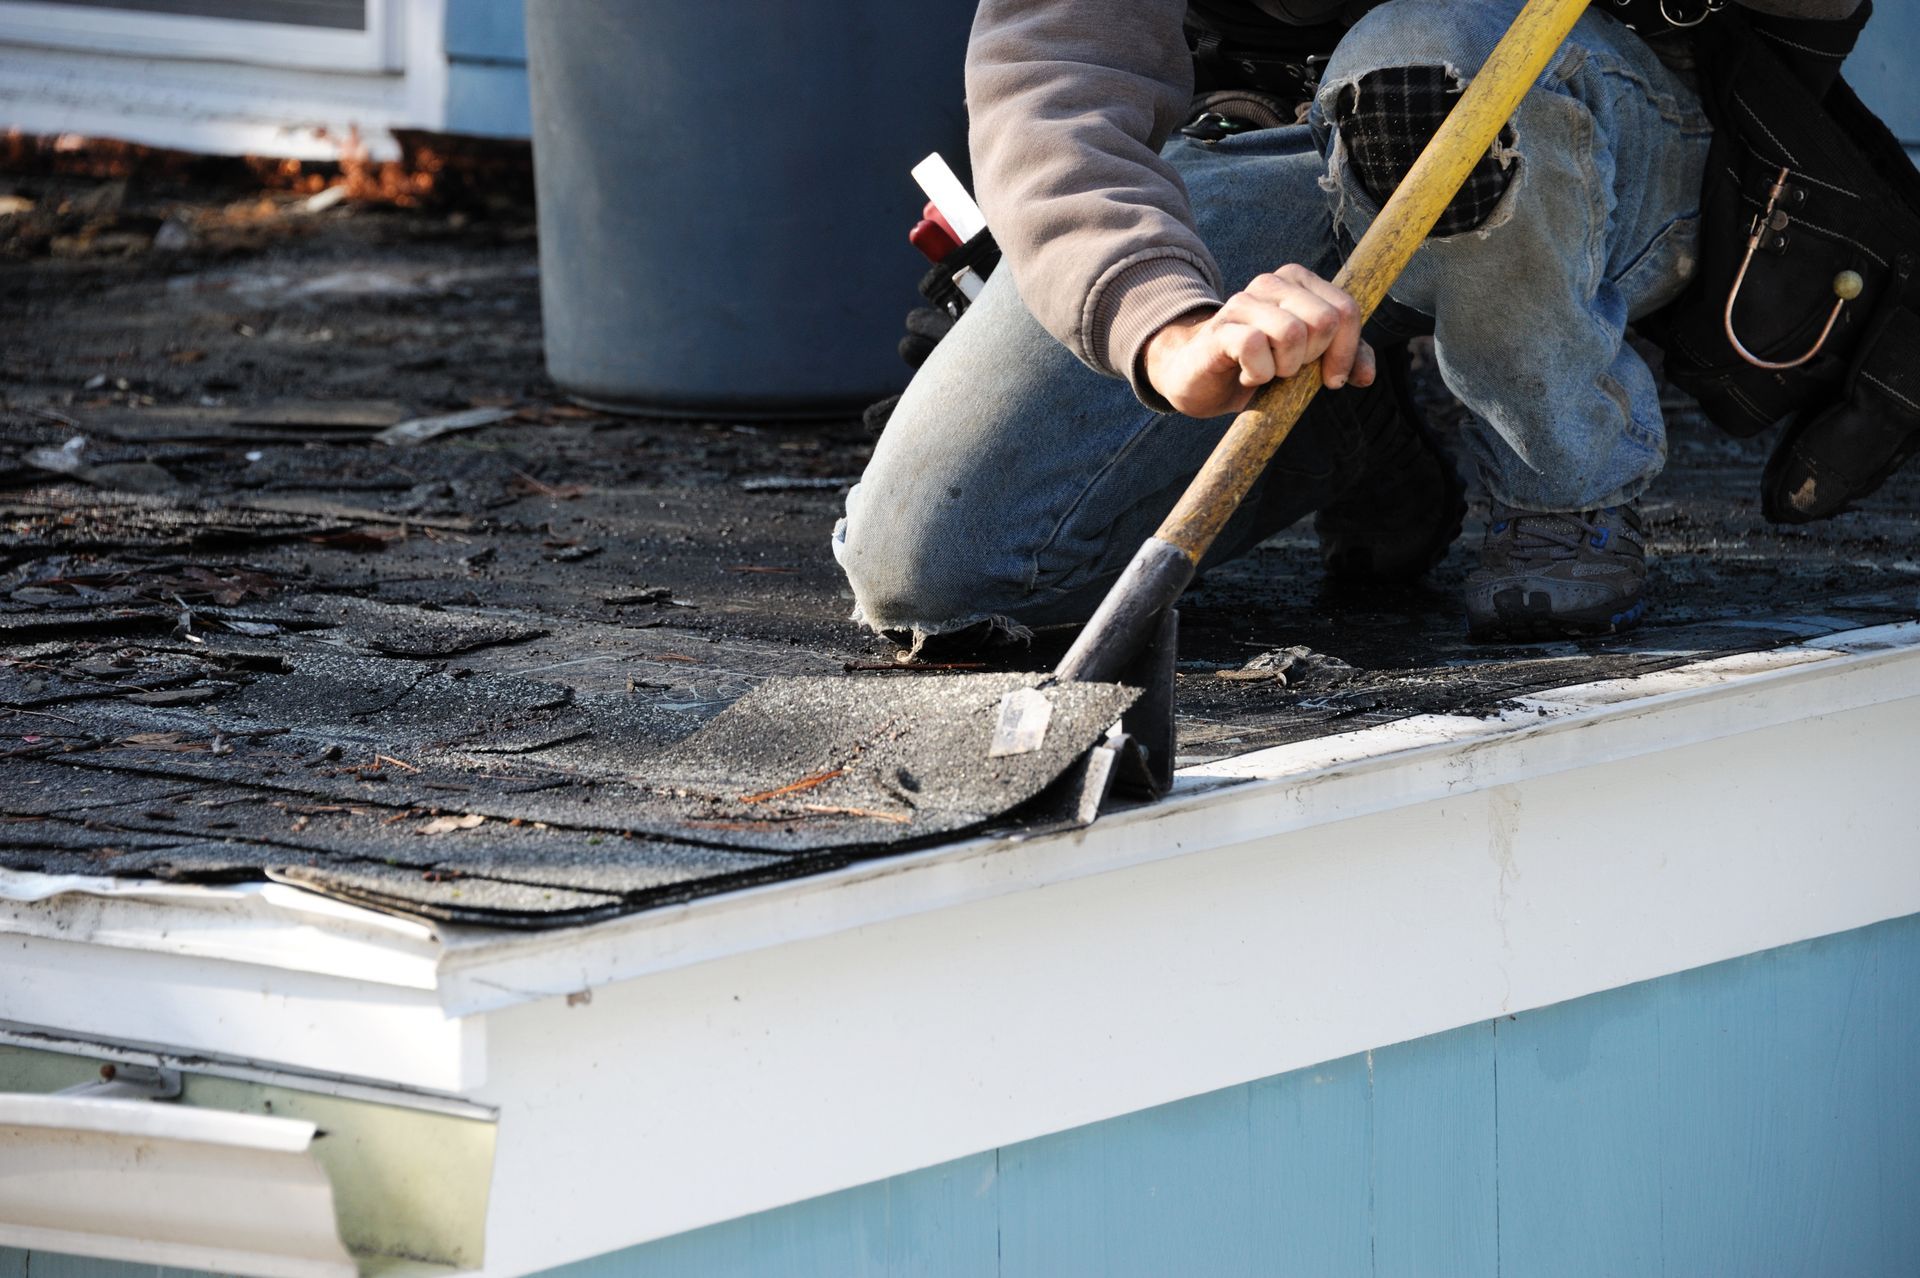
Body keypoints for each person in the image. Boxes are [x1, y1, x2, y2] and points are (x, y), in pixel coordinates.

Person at [832, 0, 1862, 650]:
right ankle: (1347, 415)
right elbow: (1052, 80)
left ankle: (1562, 486)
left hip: (1585, 120)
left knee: (1425, 57)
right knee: (938, 566)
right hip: (1274, 137)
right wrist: (1167, 327)